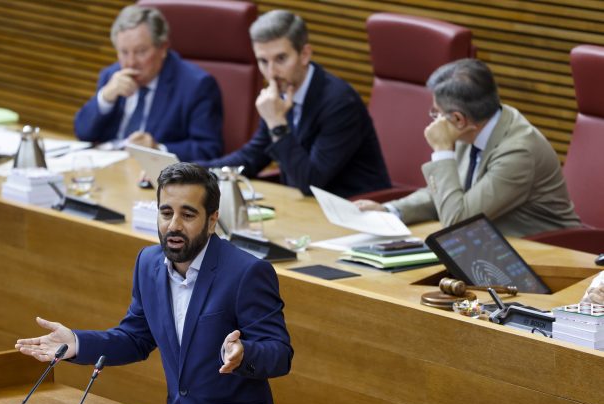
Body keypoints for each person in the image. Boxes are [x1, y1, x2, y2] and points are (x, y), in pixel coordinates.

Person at [15, 163, 293, 404]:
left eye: (188, 215)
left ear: (212, 221)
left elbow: (280, 353)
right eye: (166, 213)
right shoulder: (148, 263)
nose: (174, 225)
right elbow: (135, 338)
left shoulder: (246, 272)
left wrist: (245, 354)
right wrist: (77, 343)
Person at [354, 58, 581, 237]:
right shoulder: (480, 124)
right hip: (492, 244)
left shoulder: (518, 152)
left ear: (458, 119)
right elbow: (445, 194)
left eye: (436, 113)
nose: (435, 121)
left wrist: (442, 150)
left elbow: (457, 223)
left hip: (550, 253)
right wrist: (390, 211)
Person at [198, 9, 390, 199]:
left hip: (357, 208)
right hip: (308, 207)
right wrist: (192, 172)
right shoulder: (280, 94)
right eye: (263, 61)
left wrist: (277, 125)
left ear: (305, 54)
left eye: (281, 59)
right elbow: (251, 157)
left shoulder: (340, 103)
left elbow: (310, 182)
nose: (271, 73)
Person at [74, 6, 224, 161]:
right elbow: (83, 133)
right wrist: (105, 98)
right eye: (124, 52)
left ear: (163, 48)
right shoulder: (111, 75)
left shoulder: (197, 85)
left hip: (154, 172)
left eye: (141, 51)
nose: (131, 63)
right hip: (109, 165)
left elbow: (208, 150)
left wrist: (157, 149)